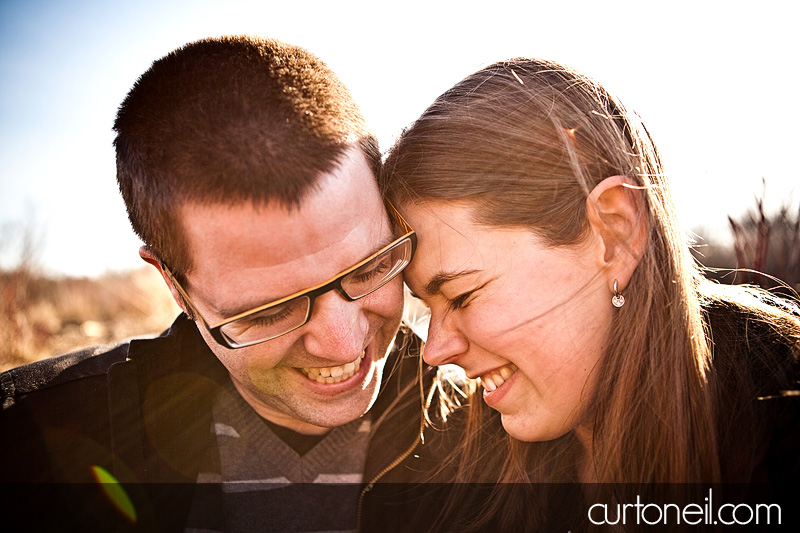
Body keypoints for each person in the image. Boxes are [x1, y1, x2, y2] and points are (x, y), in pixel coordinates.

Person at [0, 36, 450, 532]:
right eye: (270, 310)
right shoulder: (27, 443)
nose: (343, 343)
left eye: (369, 269)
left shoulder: (494, 433)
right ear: (175, 286)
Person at [381, 58, 800, 530]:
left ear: (614, 234)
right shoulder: (446, 488)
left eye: (461, 296)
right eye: (425, 306)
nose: (435, 351)